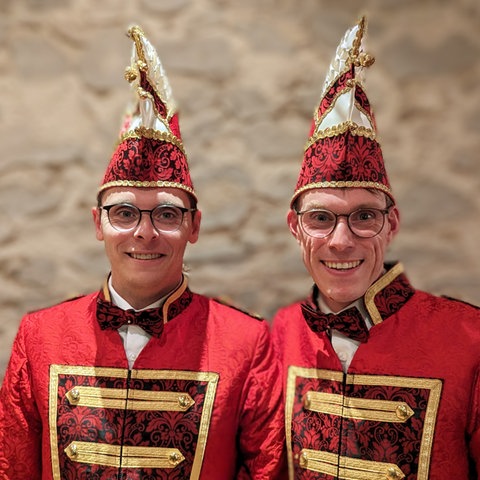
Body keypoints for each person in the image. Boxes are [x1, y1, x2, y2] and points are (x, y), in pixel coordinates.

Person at [0, 25, 286, 479]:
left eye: (167, 215)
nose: (145, 233)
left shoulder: (247, 345)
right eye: (125, 212)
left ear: (194, 226)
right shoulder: (39, 338)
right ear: (98, 224)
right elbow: (12, 469)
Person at [271, 16, 480, 479]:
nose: (341, 240)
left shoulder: (472, 340)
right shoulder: (278, 336)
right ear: (295, 227)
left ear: (393, 224)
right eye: (321, 218)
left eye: (364, 216)